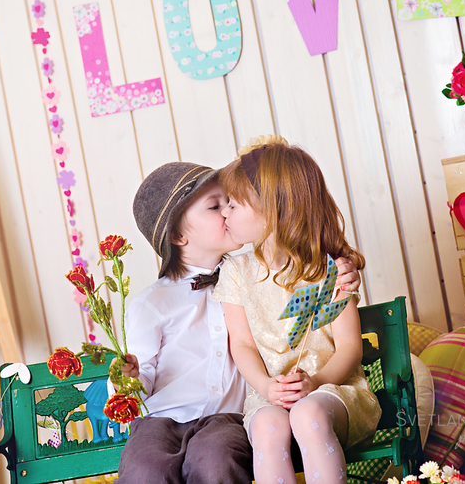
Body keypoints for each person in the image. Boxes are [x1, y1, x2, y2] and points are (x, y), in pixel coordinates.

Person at [115, 161, 361, 484]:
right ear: (178, 235)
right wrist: (127, 378)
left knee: (218, 463)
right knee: (144, 471)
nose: (227, 212)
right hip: (161, 420)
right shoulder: (151, 303)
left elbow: (301, 285)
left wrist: (342, 272)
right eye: (215, 206)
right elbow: (141, 378)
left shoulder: (252, 277)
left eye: (231, 202)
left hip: (227, 419)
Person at [212, 137, 381, 484]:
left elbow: (350, 346)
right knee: (266, 424)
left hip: (333, 391)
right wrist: (266, 386)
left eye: (233, 204)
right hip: (270, 396)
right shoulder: (236, 272)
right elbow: (241, 344)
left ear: (271, 210)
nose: (224, 212)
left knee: (308, 414)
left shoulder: (328, 270)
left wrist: (315, 382)